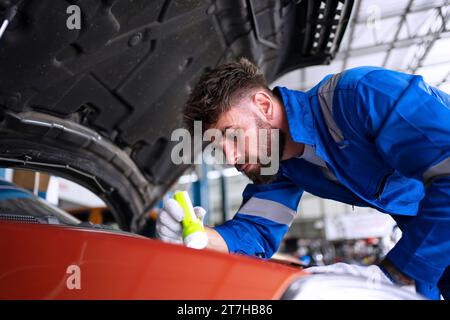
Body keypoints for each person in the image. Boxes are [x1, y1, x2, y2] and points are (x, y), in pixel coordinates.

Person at [156, 58, 450, 299]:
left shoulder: (360, 95)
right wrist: (194, 234)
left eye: (232, 137)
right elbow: (255, 232)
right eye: (220, 149)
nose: (231, 158)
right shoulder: (282, 164)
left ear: (263, 105)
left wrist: (395, 274)